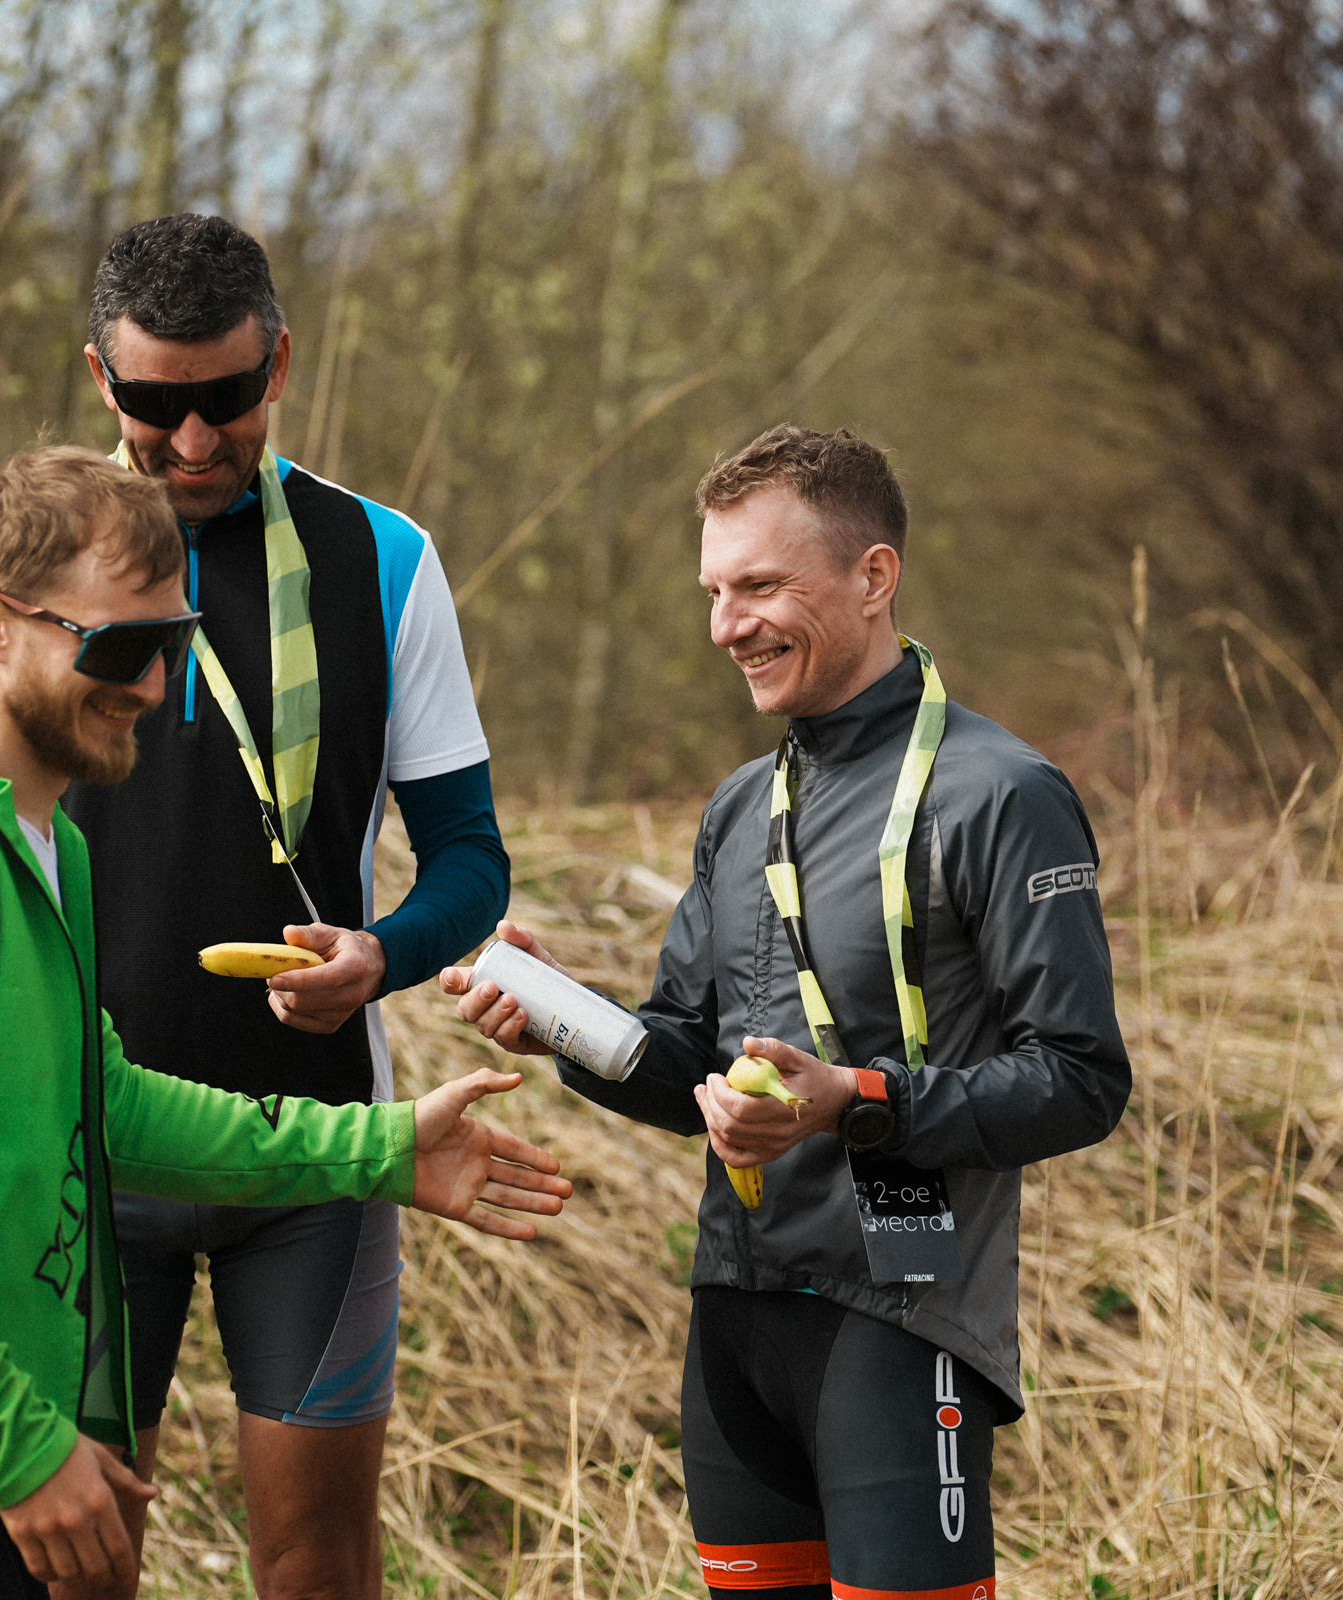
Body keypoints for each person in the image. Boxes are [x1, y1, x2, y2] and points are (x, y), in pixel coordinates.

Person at [0, 447, 568, 1600]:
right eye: (117, 647)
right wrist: (23, 1446)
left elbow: (111, 1104)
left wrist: (384, 1145)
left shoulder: (49, 847)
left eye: (173, 642)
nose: (152, 685)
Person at [0, 214, 507, 1600]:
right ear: (98, 379)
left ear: (282, 363)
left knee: (313, 1562)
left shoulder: (388, 561)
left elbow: (472, 856)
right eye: (153, 405)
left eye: (225, 400)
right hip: (77, 1149)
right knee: (73, 1561)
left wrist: (385, 955)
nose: (190, 443)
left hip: (313, 1159)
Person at [445, 426, 1131, 1599]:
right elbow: (683, 1067)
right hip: (736, 1320)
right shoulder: (741, 804)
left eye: (760, 585)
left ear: (873, 578)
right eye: (715, 592)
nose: (725, 625)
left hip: (900, 1322)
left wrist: (853, 1101)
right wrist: (558, 1018)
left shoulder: (1002, 793)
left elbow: (1080, 1077)